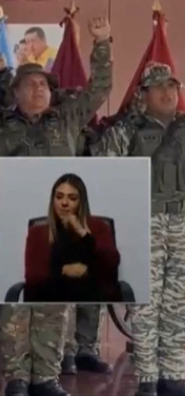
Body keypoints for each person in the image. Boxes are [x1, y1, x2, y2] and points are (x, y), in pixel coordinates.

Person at [0, 17, 113, 396]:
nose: (39, 90)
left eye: (45, 85)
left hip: (60, 231)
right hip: (13, 231)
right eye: (30, 84)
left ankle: (46, 377)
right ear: (14, 92)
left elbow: (100, 87)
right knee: (15, 306)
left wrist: (101, 43)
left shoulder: (66, 121)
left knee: (53, 306)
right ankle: (17, 377)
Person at [92, 61, 185, 396]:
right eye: (159, 87)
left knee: (179, 303)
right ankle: (147, 374)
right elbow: (103, 165)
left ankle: (174, 371)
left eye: (172, 87)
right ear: (142, 94)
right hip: (142, 223)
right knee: (145, 302)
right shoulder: (127, 130)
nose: (168, 93)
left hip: (181, 223)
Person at [22, 174, 122, 303]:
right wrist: (63, 271)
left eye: (72, 198)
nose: (64, 203)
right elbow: (32, 278)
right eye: (59, 197)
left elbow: (111, 265)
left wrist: (81, 231)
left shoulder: (99, 227)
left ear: (81, 202)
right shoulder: (38, 232)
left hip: (92, 297)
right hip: (52, 299)